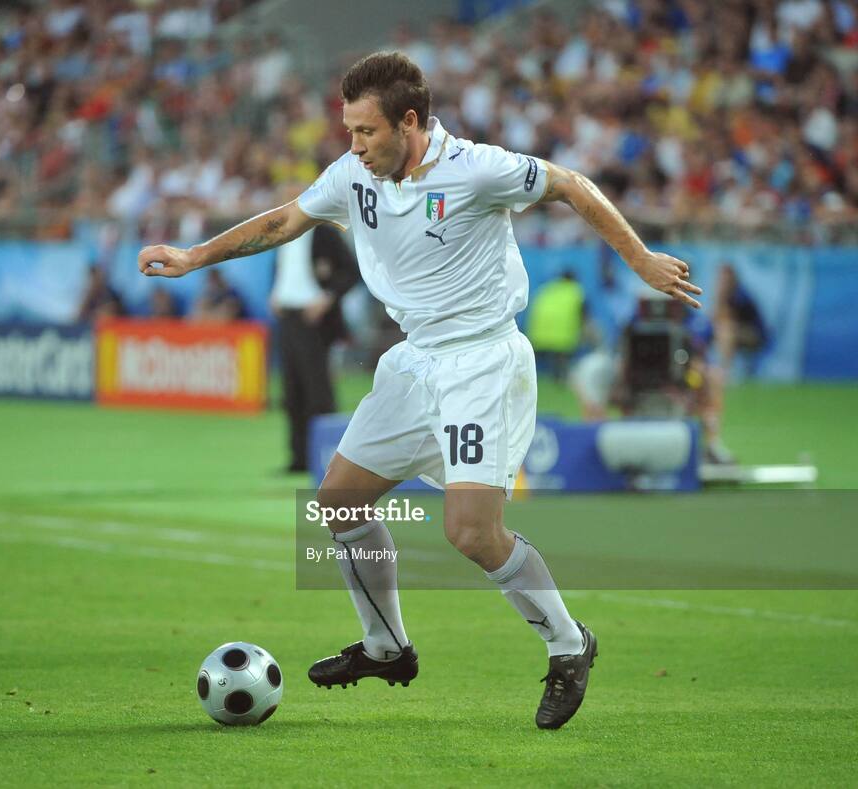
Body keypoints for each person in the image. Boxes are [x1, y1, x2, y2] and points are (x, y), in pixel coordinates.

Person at [138, 52, 701, 730]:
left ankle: (569, 643)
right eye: (348, 130)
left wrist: (639, 258)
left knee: (470, 531)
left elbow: (571, 184)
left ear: (409, 122)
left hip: (482, 362)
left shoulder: (477, 169)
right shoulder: (353, 176)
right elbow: (284, 220)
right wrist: (195, 256)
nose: (354, 146)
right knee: (339, 502)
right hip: (415, 361)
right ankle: (387, 646)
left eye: (366, 131)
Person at [271, 220, 360, 473]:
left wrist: (327, 298)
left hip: (314, 319)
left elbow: (350, 271)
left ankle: (325, 458)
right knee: (291, 391)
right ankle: (299, 458)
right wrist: (276, 292)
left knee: (317, 390)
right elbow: (283, 270)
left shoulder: (324, 232)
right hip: (287, 315)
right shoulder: (284, 230)